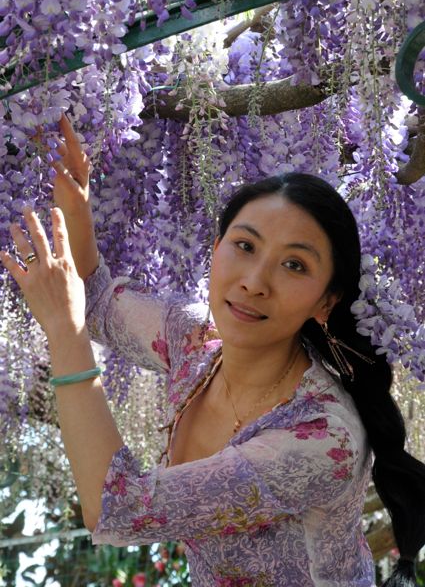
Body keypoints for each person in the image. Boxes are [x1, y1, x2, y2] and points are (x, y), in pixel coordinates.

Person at [1, 114, 425, 587]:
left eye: (294, 264)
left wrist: (65, 331)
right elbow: (97, 303)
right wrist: (76, 206)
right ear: (217, 247)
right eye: (244, 246)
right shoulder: (196, 340)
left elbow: (118, 510)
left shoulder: (323, 439)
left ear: (326, 301)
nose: (253, 282)